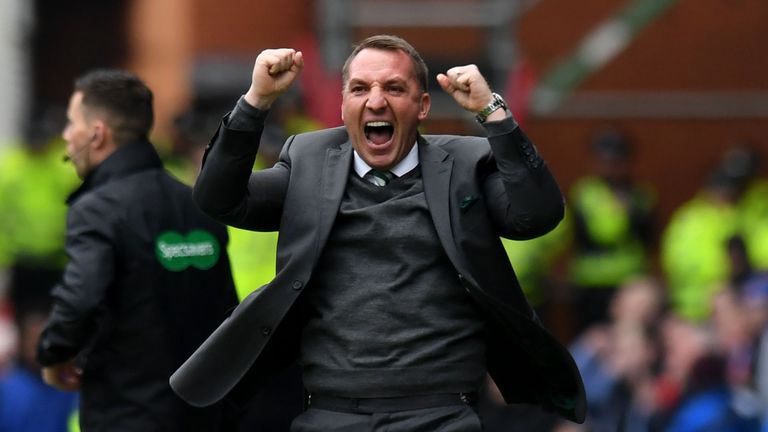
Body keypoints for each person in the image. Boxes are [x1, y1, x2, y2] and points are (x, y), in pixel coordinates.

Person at [170, 35, 586, 430]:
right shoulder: (308, 160)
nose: (375, 101)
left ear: (422, 105)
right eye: (359, 88)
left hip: (440, 413)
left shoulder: (464, 164)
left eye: (394, 88)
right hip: (332, 413)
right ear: (343, 103)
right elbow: (219, 199)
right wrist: (255, 102)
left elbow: (538, 215)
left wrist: (493, 112)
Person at [35, 69, 239, 431]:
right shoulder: (197, 203)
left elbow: (79, 300)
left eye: (71, 124)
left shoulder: (98, 208)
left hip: (127, 412)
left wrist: (55, 354)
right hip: (205, 415)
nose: (66, 136)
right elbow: (227, 310)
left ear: (97, 134)